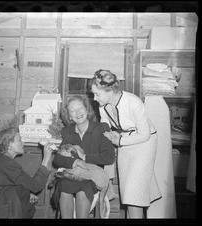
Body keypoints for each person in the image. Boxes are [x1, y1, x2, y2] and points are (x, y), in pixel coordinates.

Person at [90, 69, 162, 218]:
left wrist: (119, 140)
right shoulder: (103, 106)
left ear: (109, 90)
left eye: (97, 94)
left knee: (134, 193)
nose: (95, 98)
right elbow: (105, 126)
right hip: (124, 144)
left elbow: (145, 134)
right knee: (129, 194)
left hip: (144, 143)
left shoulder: (133, 101)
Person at [51, 95, 115, 218]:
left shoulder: (101, 128)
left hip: (92, 177)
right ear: (69, 116)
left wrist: (85, 157)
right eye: (73, 111)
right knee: (63, 186)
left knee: (83, 189)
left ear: (87, 110)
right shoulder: (67, 132)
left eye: (80, 108)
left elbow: (109, 157)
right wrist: (76, 162)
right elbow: (58, 159)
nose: (78, 113)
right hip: (73, 175)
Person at [0, 127, 54, 218]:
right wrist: (46, 158)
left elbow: (9, 185)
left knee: (22, 190)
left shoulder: (1, 160)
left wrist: (27, 194)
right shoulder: (6, 163)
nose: (23, 143)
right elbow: (35, 185)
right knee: (22, 193)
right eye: (20, 140)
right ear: (9, 144)